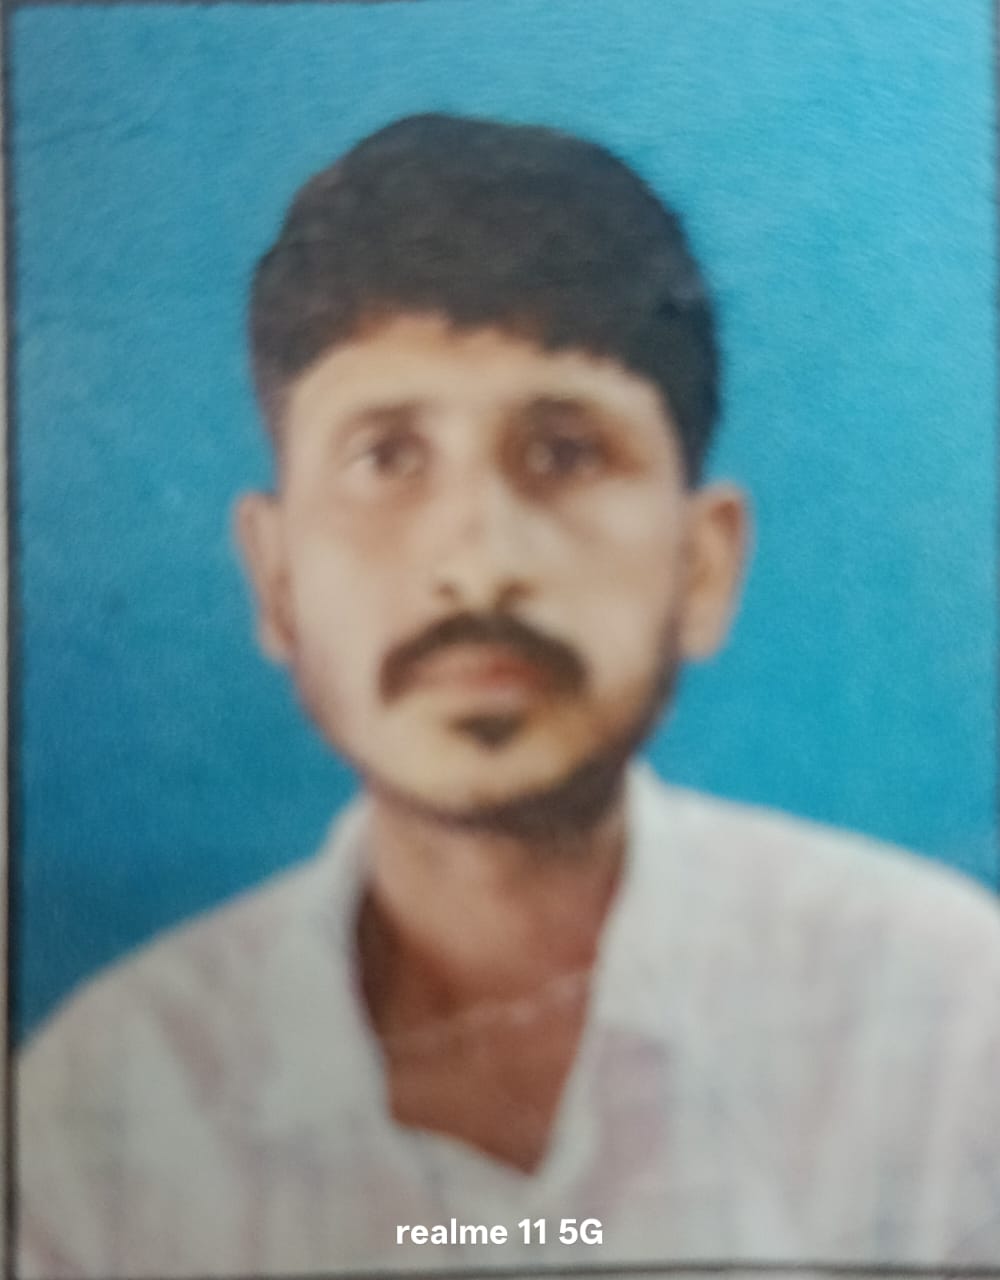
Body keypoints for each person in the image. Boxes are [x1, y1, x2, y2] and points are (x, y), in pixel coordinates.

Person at [16, 113, 1000, 1279]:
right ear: (276, 579)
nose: (478, 564)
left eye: (565, 451)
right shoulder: (104, 1107)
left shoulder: (950, 1020)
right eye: (386, 456)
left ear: (702, 563)